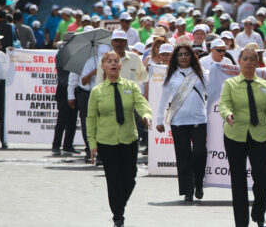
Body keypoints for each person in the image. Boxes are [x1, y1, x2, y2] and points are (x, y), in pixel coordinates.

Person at [87, 51, 152, 227]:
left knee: (130, 178)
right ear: (103, 66)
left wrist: (146, 115)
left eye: (116, 61)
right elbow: (91, 118)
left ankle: (119, 205)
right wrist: (92, 144)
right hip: (106, 141)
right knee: (113, 179)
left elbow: (141, 103)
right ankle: (118, 215)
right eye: (109, 61)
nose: (113, 64)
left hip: (129, 139)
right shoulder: (97, 91)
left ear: (120, 65)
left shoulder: (131, 86)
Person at [219, 47, 266, 227]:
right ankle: (241, 223)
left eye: (251, 59)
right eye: (245, 59)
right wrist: (227, 114)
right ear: (239, 62)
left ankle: (259, 214)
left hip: (259, 136)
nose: (248, 62)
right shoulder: (230, 84)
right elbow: (224, 104)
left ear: (257, 63)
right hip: (234, 136)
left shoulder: (265, 86)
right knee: (238, 180)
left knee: (262, 179)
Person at [156, 44, 208, 202]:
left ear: (192, 56)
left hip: (199, 120)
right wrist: (159, 120)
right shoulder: (171, 75)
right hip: (178, 122)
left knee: (200, 153)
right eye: (180, 55)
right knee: (183, 156)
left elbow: (211, 93)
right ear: (175, 58)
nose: (184, 57)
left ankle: (198, 182)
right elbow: (164, 98)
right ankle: (187, 189)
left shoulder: (201, 73)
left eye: (187, 54)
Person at [68, 45, 108, 163]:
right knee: (87, 124)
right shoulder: (91, 62)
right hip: (87, 94)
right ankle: (89, 150)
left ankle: (101, 153)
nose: (103, 57)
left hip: (104, 95)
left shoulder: (112, 63)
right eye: (102, 54)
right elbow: (83, 81)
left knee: (102, 124)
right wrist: (93, 73)